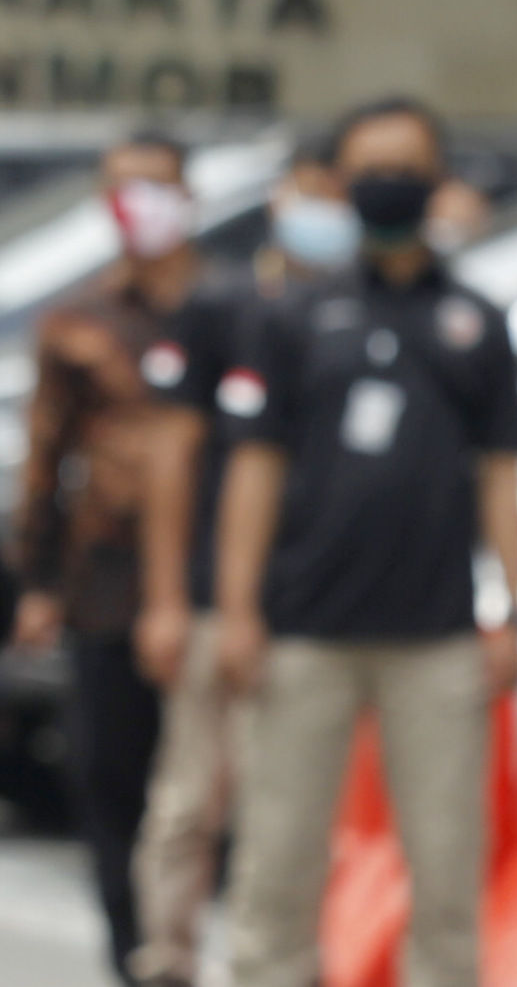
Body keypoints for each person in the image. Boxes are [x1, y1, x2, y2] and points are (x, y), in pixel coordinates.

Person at [213, 98, 517, 987]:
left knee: (445, 868)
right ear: (343, 183)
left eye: (406, 165)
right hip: (305, 629)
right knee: (277, 859)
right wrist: (238, 609)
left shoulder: (475, 321)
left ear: (437, 180)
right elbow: (254, 468)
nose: (389, 181)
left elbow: (503, 470)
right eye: (371, 166)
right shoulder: (292, 315)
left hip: (435, 637)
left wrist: (511, 603)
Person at [127, 140, 360, 987]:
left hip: (308, 605)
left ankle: (278, 964)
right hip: (209, 598)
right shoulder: (222, 304)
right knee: (191, 796)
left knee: (290, 808)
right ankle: (168, 958)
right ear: (281, 196)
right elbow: (172, 456)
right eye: (312, 193)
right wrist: (167, 597)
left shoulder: (359, 311)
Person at [8, 131, 209, 986]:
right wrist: (41, 582)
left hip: (210, 581)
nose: (140, 207)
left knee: (197, 790)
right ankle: (133, 952)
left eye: (155, 188)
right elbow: (47, 460)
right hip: (107, 583)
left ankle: (183, 940)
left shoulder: (229, 309)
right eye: (123, 190)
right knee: (108, 774)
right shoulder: (80, 321)